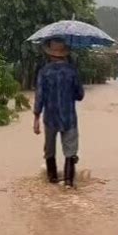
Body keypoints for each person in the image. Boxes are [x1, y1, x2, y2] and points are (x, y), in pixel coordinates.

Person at [33, 38, 84, 188]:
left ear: (50, 54)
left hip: (50, 118)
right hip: (69, 118)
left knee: (49, 150)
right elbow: (80, 95)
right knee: (70, 150)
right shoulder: (72, 71)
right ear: (64, 54)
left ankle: (52, 179)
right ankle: (68, 182)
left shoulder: (44, 72)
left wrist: (36, 118)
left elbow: (39, 97)